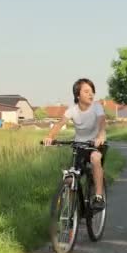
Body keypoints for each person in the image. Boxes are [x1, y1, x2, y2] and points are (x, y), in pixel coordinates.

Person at [43, 78, 107, 209]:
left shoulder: (97, 107)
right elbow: (60, 123)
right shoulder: (72, 110)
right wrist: (49, 137)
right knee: (70, 177)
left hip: (95, 145)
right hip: (79, 146)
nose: (91, 94)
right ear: (78, 95)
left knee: (95, 159)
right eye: (86, 91)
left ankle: (99, 197)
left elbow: (102, 122)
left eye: (92, 91)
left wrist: (100, 136)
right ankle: (72, 209)